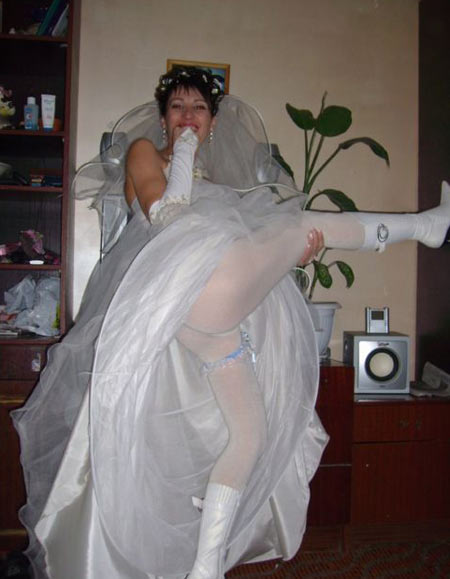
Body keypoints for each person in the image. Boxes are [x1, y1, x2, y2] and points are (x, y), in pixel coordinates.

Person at [12, 67, 449, 579]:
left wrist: (291, 256)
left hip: (209, 315)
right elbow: (167, 214)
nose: (188, 116)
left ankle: (206, 568)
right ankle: (426, 226)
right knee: (304, 221)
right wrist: (186, 149)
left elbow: (241, 256)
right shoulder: (145, 153)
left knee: (249, 434)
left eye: (198, 108)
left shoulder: (214, 185)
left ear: (213, 121)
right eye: (178, 107)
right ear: (162, 118)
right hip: (186, 290)